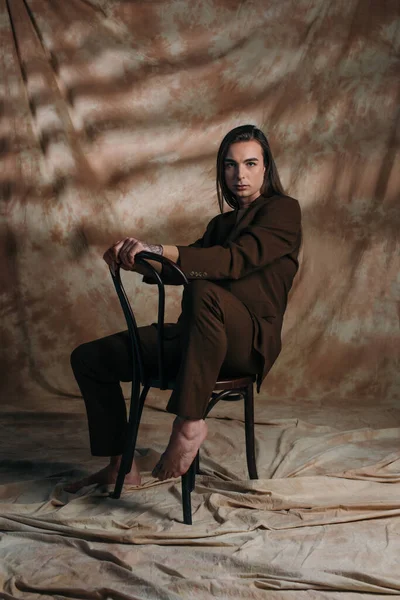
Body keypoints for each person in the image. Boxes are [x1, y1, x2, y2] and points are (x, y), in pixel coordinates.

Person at [64, 124, 302, 493]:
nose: (240, 174)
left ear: (266, 168)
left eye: (250, 163)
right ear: (222, 170)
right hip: (199, 341)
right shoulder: (220, 223)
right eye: (230, 165)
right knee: (91, 358)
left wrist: (160, 248)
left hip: (246, 343)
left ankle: (190, 423)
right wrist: (136, 256)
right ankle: (121, 466)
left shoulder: (283, 211)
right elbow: (183, 267)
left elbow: (232, 261)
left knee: (204, 289)